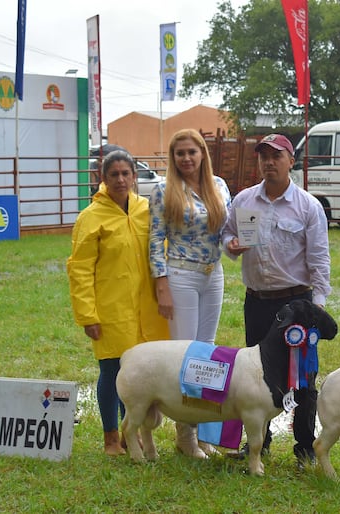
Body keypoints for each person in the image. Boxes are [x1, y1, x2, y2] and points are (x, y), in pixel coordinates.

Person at [222, 133, 331, 469]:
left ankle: (304, 449)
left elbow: (319, 259)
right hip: (257, 301)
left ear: (290, 161)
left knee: (303, 378)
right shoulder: (242, 201)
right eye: (263, 156)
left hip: (295, 304)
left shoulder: (308, 206)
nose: (269, 162)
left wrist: (318, 305)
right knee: (255, 376)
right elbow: (226, 234)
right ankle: (258, 443)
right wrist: (232, 245)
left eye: (277, 156)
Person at [67, 150, 169, 456]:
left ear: (135, 177)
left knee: (141, 376)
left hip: (147, 311)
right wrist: (88, 315)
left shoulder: (146, 210)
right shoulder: (91, 217)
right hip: (111, 311)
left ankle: (132, 433)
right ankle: (111, 437)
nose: (121, 180)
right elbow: (80, 269)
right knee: (111, 372)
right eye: (114, 174)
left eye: (127, 174)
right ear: (103, 178)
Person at [149, 129, 231, 454]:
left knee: (208, 352)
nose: (186, 158)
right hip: (181, 274)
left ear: (202, 154)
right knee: (187, 354)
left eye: (191, 152)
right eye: (180, 153)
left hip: (214, 274)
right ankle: (185, 435)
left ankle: (203, 431)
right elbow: (155, 238)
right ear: (173, 157)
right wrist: (162, 284)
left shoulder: (220, 186)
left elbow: (230, 228)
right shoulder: (162, 189)